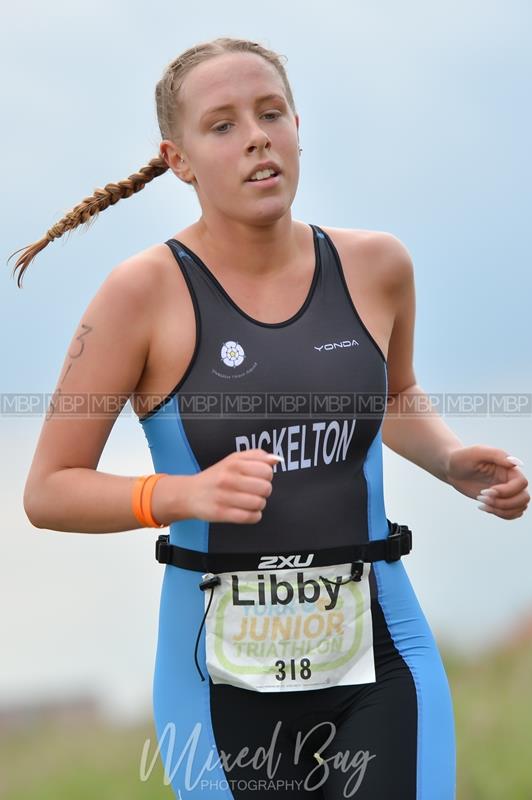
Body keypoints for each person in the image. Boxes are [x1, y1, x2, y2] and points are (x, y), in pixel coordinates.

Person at [10, 36, 529, 800]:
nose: (256, 135)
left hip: (382, 661)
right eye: (222, 125)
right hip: (217, 689)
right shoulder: (141, 295)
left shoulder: (377, 267)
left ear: (296, 127)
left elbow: (389, 398)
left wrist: (451, 460)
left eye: (271, 113)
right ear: (178, 159)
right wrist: (178, 496)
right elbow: (49, 489)